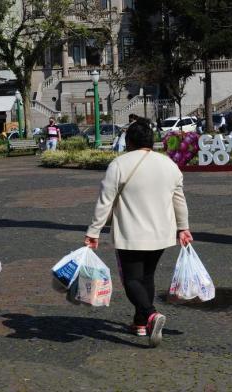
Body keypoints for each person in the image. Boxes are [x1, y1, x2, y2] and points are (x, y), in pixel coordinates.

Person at [84, 119, 193, 348]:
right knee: (147, 277)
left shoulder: (120, 164)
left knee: (132, 279)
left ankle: (151, 315)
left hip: (131, 232)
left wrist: (94, 231)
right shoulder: (169, 165)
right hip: (161, 233)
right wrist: (183, 227)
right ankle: (140, 322)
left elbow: (105, 201)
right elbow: (179, 200)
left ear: (129, 141)